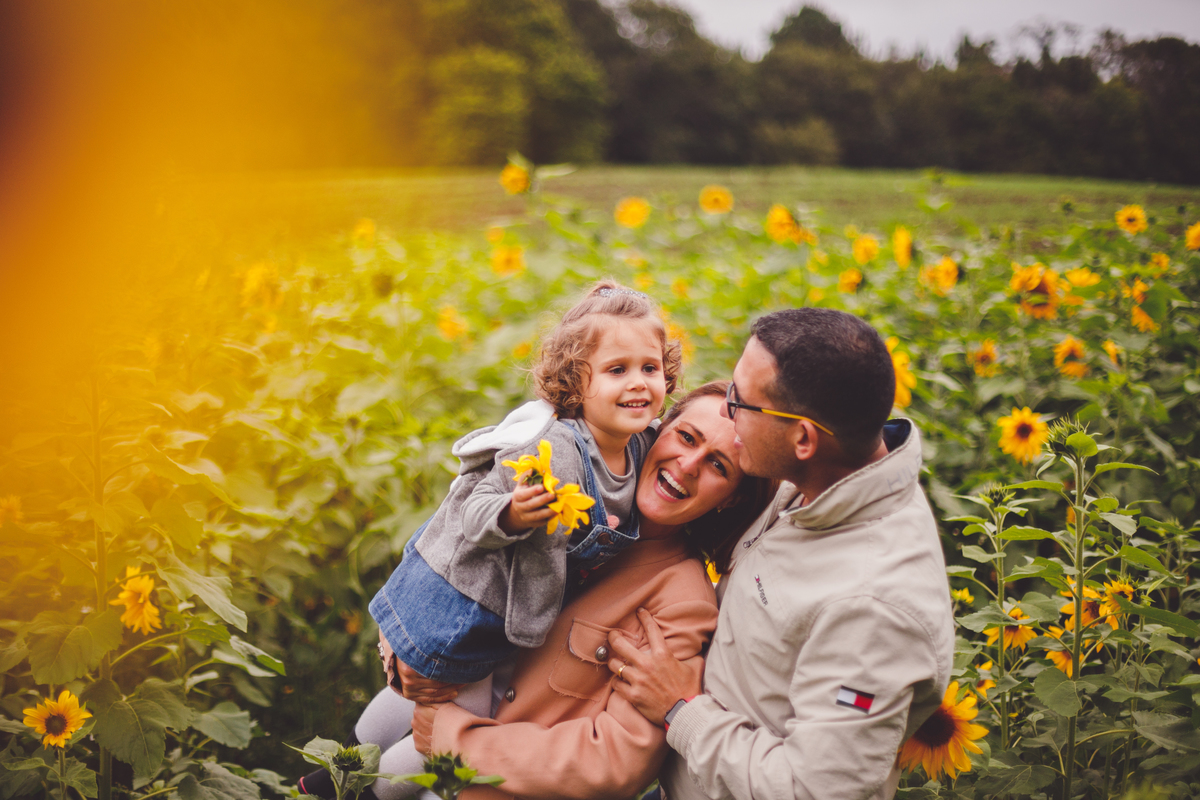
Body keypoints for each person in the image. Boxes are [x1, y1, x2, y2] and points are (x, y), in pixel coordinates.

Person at [312, 281, 683, 798]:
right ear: (577, 384)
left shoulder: (642, 445)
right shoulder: (554, 446)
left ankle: (331, 772)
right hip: (464, 598)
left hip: (502, 606)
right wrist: (512, 513)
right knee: (440, 721)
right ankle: (351, 787)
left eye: (650, 368)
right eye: (617, 370)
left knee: (422, 690)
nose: (639, 383)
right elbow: (474, 508)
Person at [606, 308, 956, 800]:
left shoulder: (875, 608)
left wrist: (681, 709)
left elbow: (812, 791)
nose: (726, 413)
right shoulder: (824, 480)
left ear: (803, 439)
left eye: (740, 402)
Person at [404, 382, 777, 800]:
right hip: (416, 717)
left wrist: (455, 739)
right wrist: (399, 645)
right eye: (686, 437)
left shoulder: (682, 598)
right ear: (658, 429)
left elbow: (615, 760)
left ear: (729, 499)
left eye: (718, 466)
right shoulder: (569, 489)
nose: (689, 465)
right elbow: (448, 555)